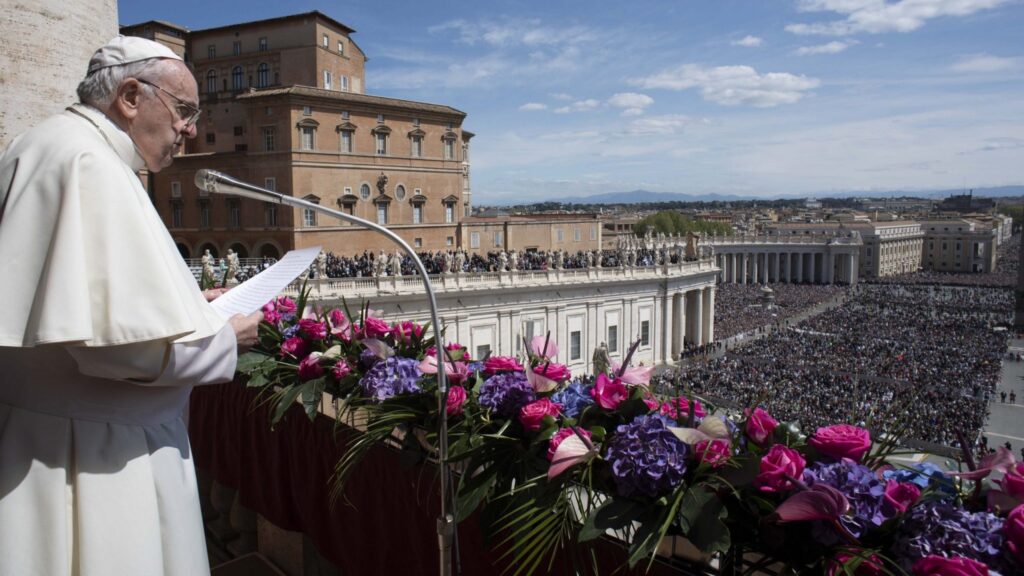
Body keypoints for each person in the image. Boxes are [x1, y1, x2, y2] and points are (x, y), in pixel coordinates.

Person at [0, 36, 262, 576]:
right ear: (129, 96)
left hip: (48, 433)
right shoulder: (90, 163)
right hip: (95, 459)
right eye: (185, 111)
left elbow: (95, 302)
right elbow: (116, 350)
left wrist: (189, 303)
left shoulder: (45, 143)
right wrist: (221, 339)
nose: (190, 131)